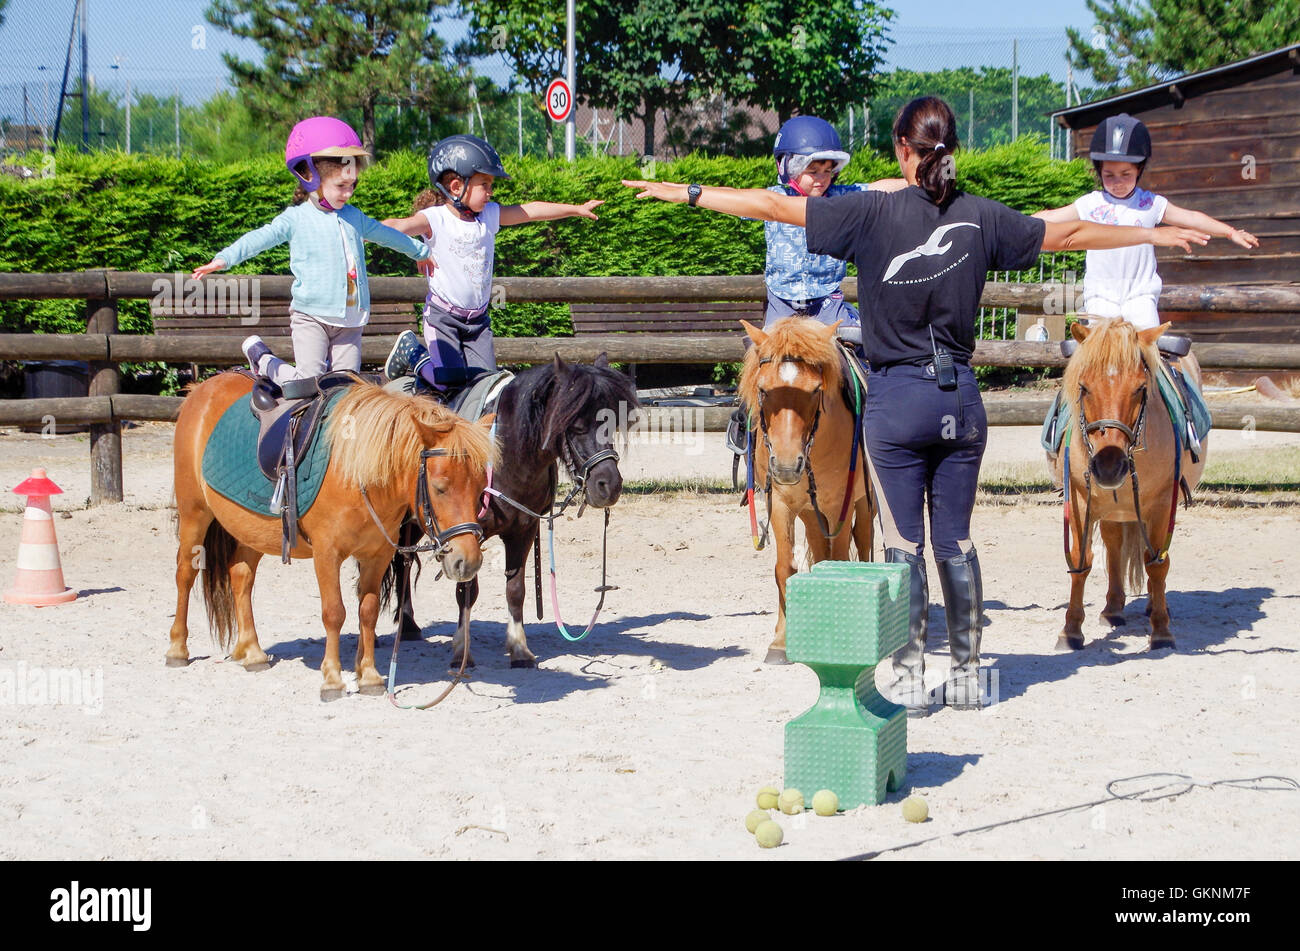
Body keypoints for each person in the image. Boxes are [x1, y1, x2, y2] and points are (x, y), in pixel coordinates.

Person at [624, 96, 1214, 715]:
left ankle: (907, 677)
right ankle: (966, 672)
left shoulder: (869, 214)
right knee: (955, 541)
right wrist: (1155, 229)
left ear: (902, 152)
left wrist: (682, 190)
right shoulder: (980, 217)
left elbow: (773, 205)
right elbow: (1067, 232)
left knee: (904, 545)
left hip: (897, 403)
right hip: (959, 400)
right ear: (951, 151)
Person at [1033, 112, 1255, 456]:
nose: (1117, 181)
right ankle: (1059, 433)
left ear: (1139, 170)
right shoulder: (1089, 204)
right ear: (1098, 172)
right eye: (1109, 174)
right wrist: (1008, 222)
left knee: (1162, 364)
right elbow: (1048, 218)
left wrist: (1228, 231)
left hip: (1139, 301)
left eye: (1125, 173)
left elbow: (1191, 218)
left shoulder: (1151, 204)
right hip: (1099, 304)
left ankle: (1187, 424)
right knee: (1085, 370)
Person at [192, 116, 434, 385]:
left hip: (351, 320)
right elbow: (261, 237)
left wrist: (420, 252)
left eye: (352, 185)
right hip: (311, 317)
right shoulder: (296, 219)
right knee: (308, 383)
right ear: (311, 178)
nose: (349, 193)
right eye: (341, 186)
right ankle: (263, 360)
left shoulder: (355, 217)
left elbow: (387, 235)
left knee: (345, 388)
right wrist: (225, 258)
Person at [380, 134, 603, 394]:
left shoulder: (489, 215)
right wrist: (416, 250)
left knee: (487, 387)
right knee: (448, 380)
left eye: (491, 185)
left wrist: (575, 209)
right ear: (456, 187)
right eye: (484, 184)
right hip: (443, 319)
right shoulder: (435, 218)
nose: (490, 192)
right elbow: (393, 227)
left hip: (477, 323)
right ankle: (413, 353)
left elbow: (530, 211)